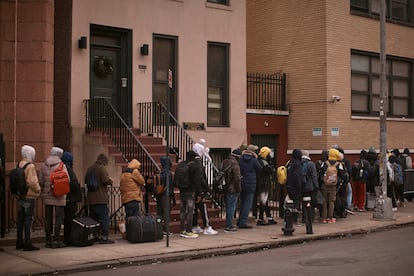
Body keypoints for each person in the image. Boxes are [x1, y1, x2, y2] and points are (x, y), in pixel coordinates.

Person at [39, 146, 69, 248]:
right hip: (59, 195)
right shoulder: (62, 165)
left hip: (48, 194)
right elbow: (67, 180)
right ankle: (56, 240)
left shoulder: (44, 165)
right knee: (58, 218)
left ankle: (48, 240)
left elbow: (41, 181)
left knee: (48, 218)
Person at [16, 145, 41, 251]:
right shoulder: (30, 166)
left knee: (20, 220)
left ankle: (19, 242)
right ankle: (28, 242)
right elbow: (32, 182)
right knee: (28, 220)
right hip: (29, 196)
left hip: (21, 195)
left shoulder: (19, 164)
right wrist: (38, 189)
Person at [85, 153, 114, 244]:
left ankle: (94, 235)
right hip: (100, 198)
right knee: (104, 218)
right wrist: (111, 180)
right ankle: (104, 237)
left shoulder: (90, 168)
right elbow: (105, 180)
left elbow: (86, 180)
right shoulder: (101, 168)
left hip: (91, 198)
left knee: (93, 219)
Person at [191, 146, 218, 235]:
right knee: (203, 208)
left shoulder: (191, 161)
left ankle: (194, 225)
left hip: (193, 189)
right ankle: (206, 226)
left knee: (195, 209)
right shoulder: (198, 163)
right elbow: (200, 178)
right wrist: (205, 188)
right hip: (199, 189)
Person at [237, 144, 261, 229]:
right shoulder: (254, 160)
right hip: (250, 183)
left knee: (242, 202)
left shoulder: (241, 159)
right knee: (247, 204)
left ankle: (240, 220)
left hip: (242, 182)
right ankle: (243, 222)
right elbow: (259, 169)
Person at [319, 148, 346, 223]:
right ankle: (330, 218)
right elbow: (342, 175)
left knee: (324, 201)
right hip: (333, 186)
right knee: (331, 202)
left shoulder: (324, 163)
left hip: (325, 185)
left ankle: (323, 217)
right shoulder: (339, 164)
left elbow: (320, 173)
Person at [179, 151, 202, 238]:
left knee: (182, 210)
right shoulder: (194, 166)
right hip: (190, 191)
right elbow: (197, 181)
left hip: (182, 190)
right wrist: (199, 194)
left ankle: (182, 229)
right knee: (189, 211)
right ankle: (188, 230)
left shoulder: (182, 164)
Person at [62, 151, 82, 246]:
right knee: (69, 219)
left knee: (66, 219)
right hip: (71, 198)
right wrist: (78, 191)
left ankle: (66, 238)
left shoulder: (62, 168)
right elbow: (73, 183)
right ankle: (68, 238)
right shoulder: (68, 169)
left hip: (65, 197)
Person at [221, 149, 241, 232]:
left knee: (228, 207)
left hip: (225, 187)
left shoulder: (224, 162)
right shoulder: (235, 164)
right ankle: (229, 225)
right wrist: (239, 189)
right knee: (231, 207)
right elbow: (237, 179)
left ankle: (228, 224)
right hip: (232, 188)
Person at [256, 146, 277, 226]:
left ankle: (268, 218)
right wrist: (270, 163)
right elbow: (270, 170)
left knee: (264, 202)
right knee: (263, 202)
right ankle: (261, 219)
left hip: (262, 183)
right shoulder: (264, 163)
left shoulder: (259, 161)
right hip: (263, 184)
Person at [301, 150, 319, 234]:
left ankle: (304, 218)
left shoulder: (298, 163)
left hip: (301, 187)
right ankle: (309, 219)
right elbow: (314, 176)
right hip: (309, 187)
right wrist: (316, 186)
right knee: (309, 204)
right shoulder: (311, 164)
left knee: (303, 203)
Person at [156, 156, 174, 233]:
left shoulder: (161, 172)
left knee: (159, 213)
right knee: (166, 213)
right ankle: (166, 230)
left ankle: (159, 228)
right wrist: (173, 197)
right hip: (166, 195)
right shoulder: (168, 173)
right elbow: (170, 186)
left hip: (159, 194)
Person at [286, 149, 303, 224]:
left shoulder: (290, 162)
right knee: (296, 203)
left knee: (290, 203)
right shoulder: (298, 164)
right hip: (295, 187)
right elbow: (297, 176)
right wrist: (300, 185)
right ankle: (294, 219)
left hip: (289, 185)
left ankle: (289, 217)